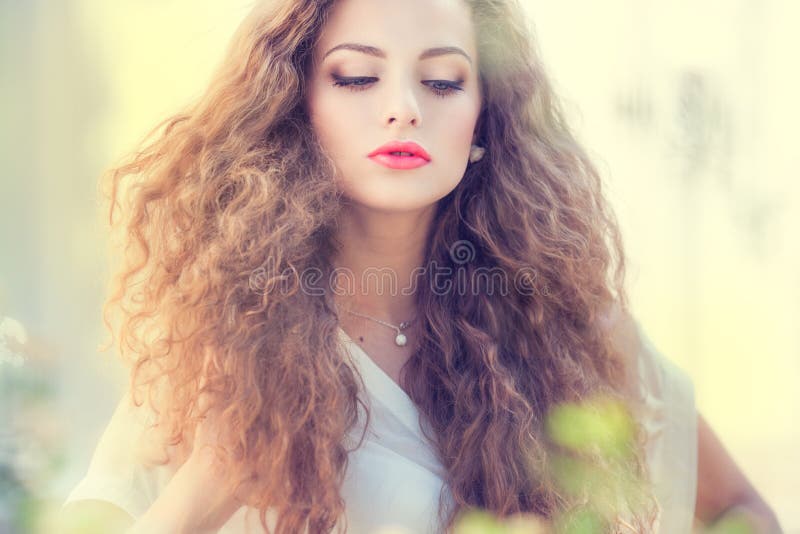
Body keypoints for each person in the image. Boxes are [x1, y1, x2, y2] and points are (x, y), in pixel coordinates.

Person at [60, 0, 782, 533]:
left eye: (440, 82)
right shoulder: (222, 348)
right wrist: (205, 488)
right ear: (294, 106)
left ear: (484, 120)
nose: (403, 108)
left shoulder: (569, 338)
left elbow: (740, 511)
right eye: (355, 78)